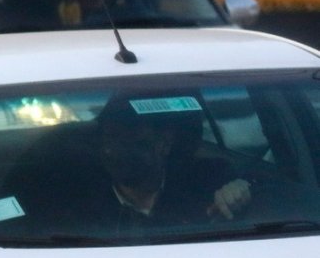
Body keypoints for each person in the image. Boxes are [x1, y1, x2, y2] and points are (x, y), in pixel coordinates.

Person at [84, 93, 251, 229]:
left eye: (133, 141)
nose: (115, 151)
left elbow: (268, 189)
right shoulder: (83, 203)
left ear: (164, 144)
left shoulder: (207, 178)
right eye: (110, 139)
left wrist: (240, 190)